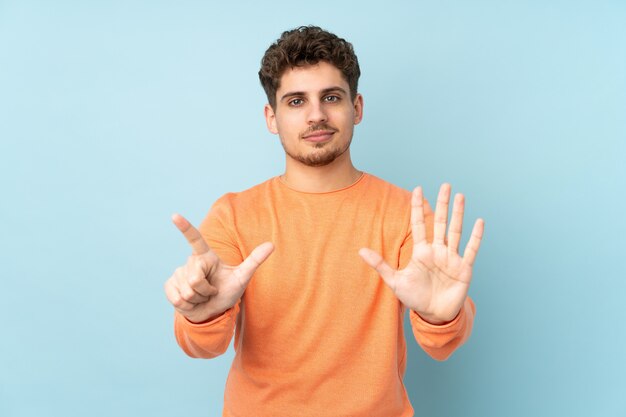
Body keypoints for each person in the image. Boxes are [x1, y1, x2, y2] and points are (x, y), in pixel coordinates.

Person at [164, 25, 485, 417]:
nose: (316, 115)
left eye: (331, 97)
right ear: (271, 117)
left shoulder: (407, 215)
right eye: (296, 101)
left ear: (357, 107)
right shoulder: (233, 215)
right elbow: (202, 345)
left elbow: (442, 343)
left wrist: (443, 315)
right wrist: (203, 313)